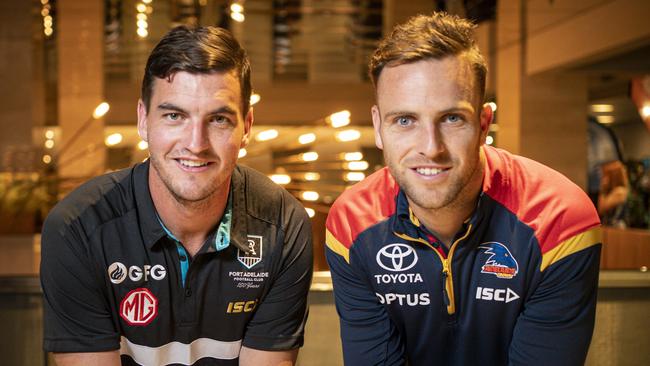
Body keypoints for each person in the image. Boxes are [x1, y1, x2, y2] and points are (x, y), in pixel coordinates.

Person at [325, 12, 601, 366]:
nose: (431, 147)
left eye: (452, 118)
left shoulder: (560, 220)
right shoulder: (351, 223)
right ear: (379, 126)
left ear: (484, 123)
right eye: (405, 120)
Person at [41, 26, 313, 366]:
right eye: (174, 115)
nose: (195, 143)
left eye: (218, 119)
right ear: (143, 120)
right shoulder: (78, 227)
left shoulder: (283, 225)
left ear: (247, 126)